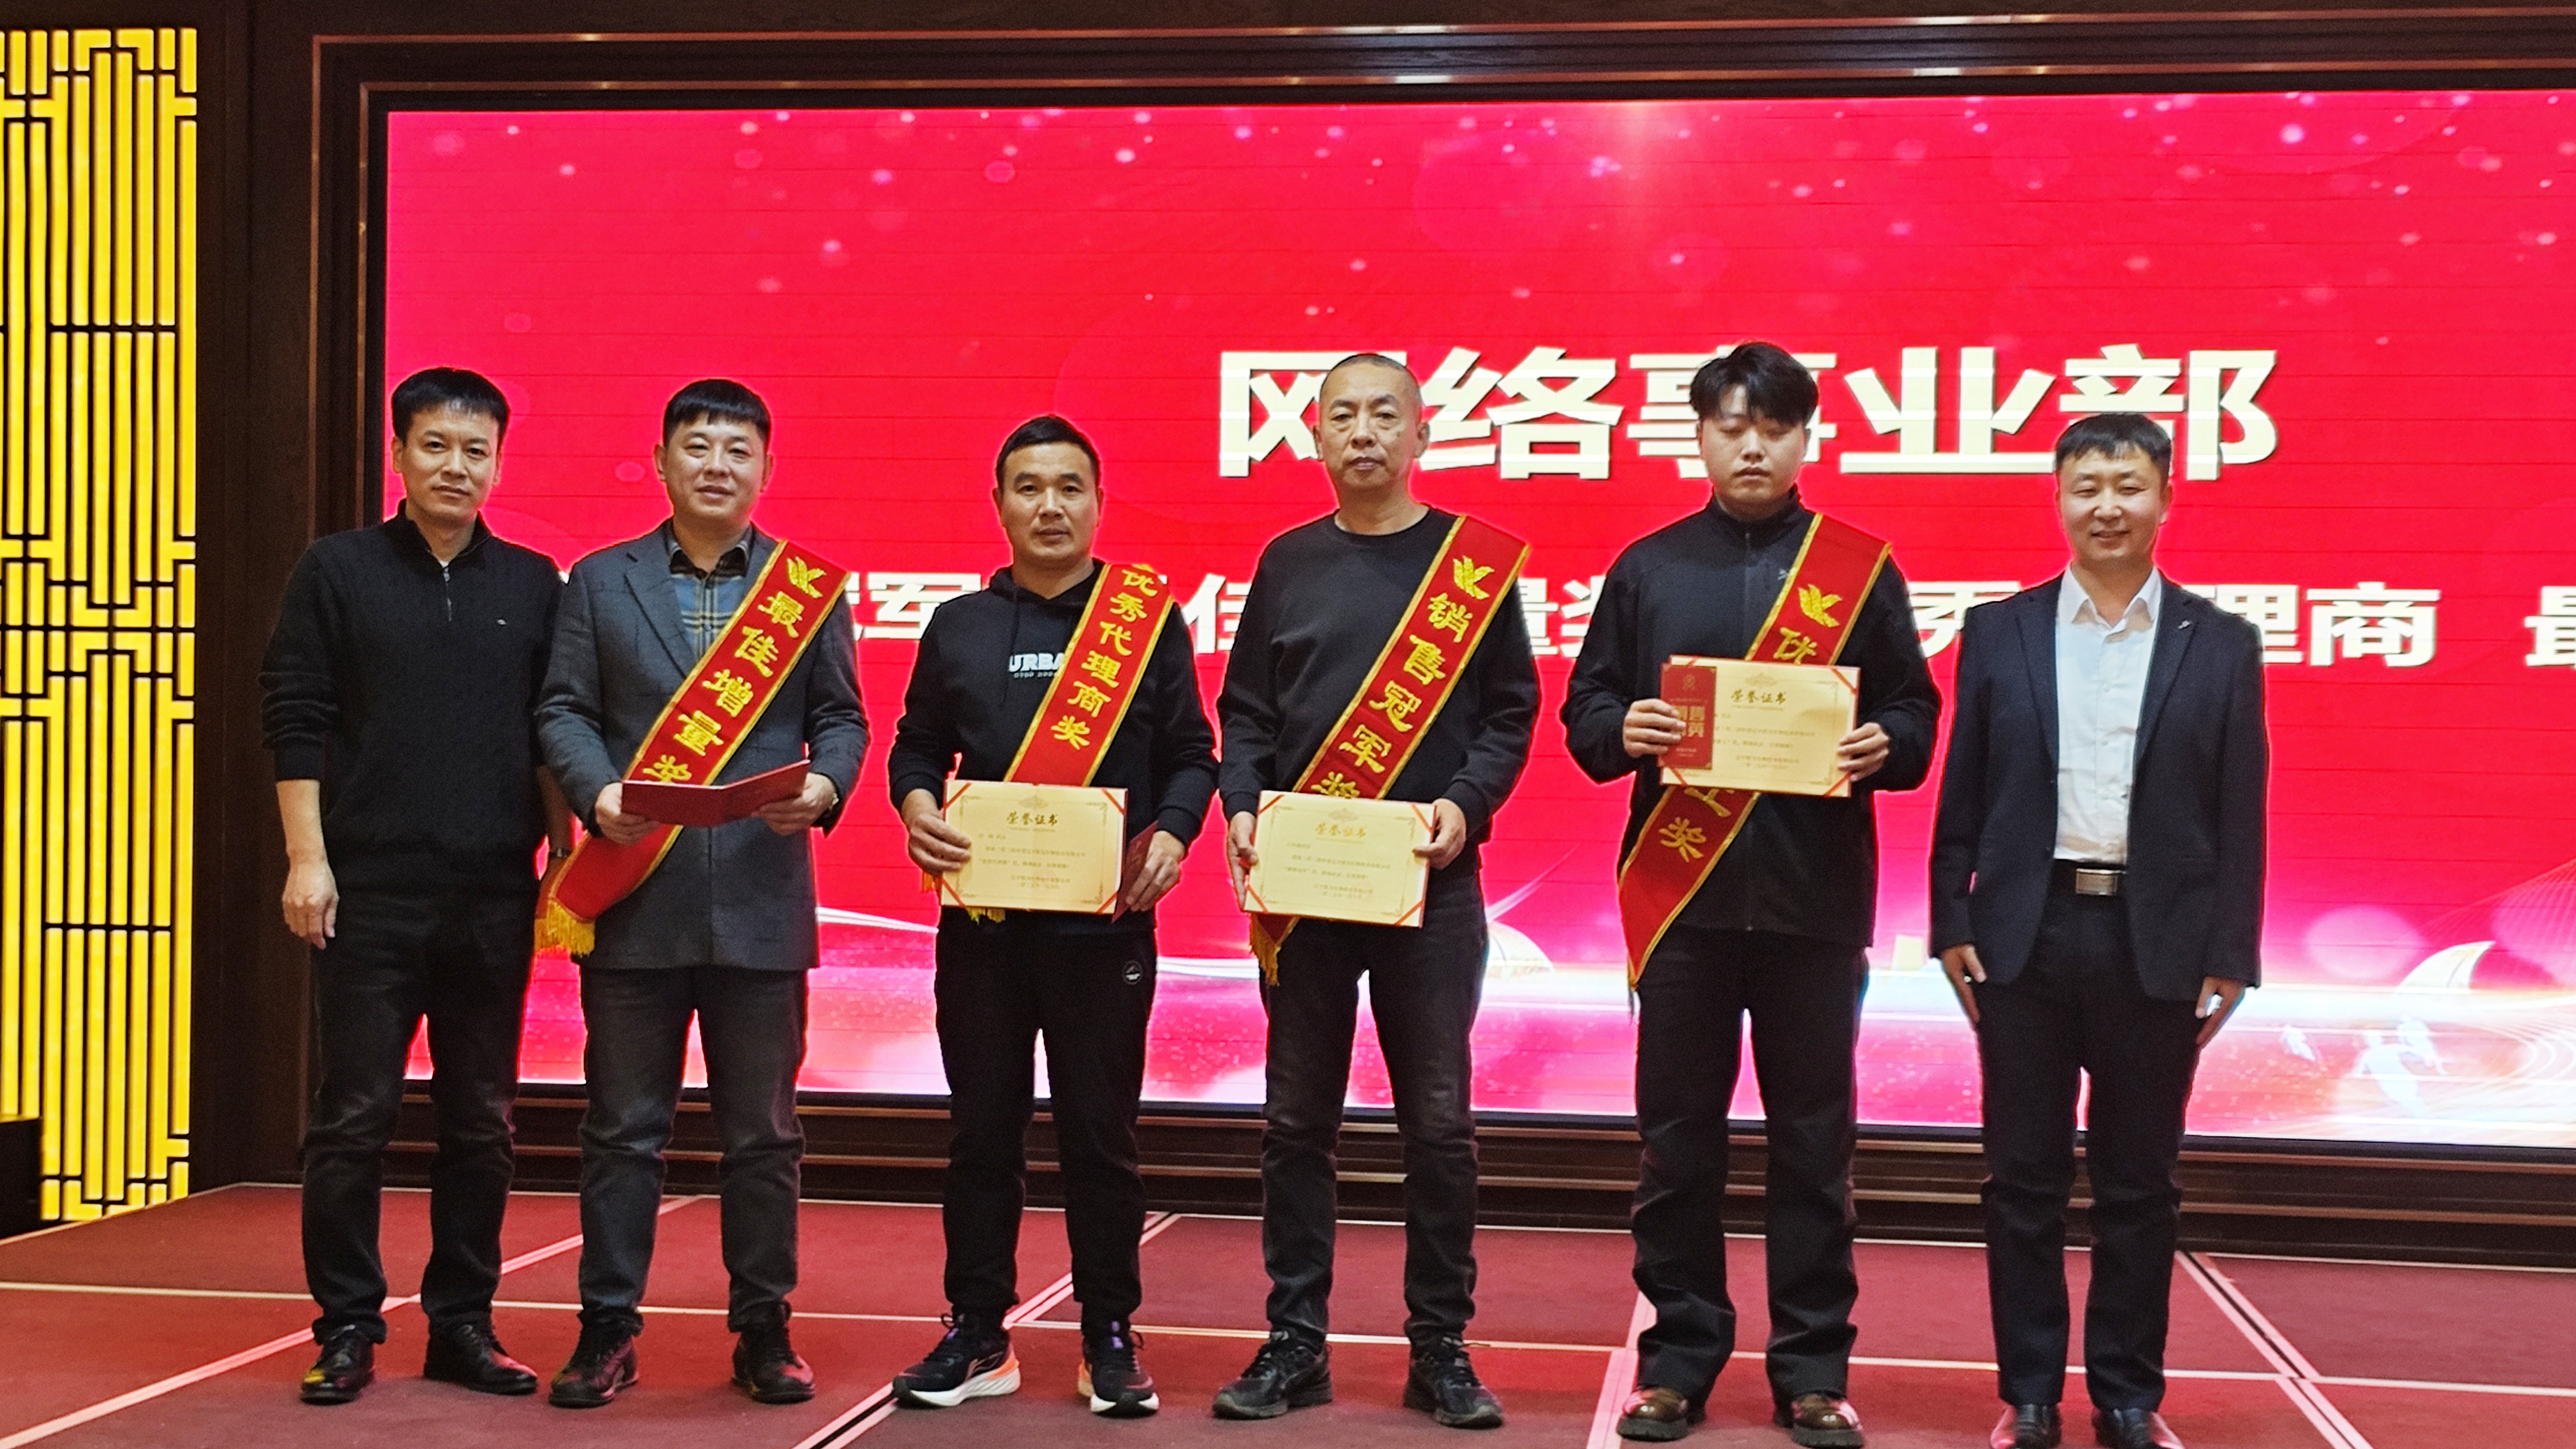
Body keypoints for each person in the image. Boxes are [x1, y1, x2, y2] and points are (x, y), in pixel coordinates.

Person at [1562, 342, 1940, 1447]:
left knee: (1814, 1147)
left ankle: (1813, 1370)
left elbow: (1916, 713)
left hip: (1815, 908)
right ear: (1699, 437)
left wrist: (1886, 742)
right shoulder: (1648, 567)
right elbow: (1586, 713)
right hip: (1682, 903)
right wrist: (1622, 727)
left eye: (1774, 427)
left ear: (1807, 438)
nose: (1753, 447)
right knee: (1677, 1145)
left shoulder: (1858, 568)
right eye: (1731, 426)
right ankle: (1677, 1362)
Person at [1212, 353, 1539, 1430]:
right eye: (1342, 416)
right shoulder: (1287, 560)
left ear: (1422, 434)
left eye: (1384, 414)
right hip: (1307, 883)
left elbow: (1510, 714)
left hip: (1431, 885)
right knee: (1296, 1121)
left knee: (1438, 1125)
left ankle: (1439, 1345)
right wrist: (1244, 808)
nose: (1364, 432)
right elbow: (1248, 714)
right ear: (1314, 437)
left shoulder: (1470, 568)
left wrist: (1465, 806)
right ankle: (1295, 1341)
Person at [1929, 413, 2266, 1449]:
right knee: (2020, 1180)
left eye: (2127, 486)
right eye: (2085, 488)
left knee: (2140, 1184)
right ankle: (2029, 1393)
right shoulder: (2001, 631)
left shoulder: (2221, 641)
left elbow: (2240, 808)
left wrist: (2232, 951)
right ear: (2059, 499)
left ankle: (2127, 1395)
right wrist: (1949, 917)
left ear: (2165, 497)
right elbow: (1963, 790)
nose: (2106, 507)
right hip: (2024, 937)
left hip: (2156, 944)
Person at [534, 379, 866, 1409]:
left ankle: (764, 1328)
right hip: (636, 896)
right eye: (698, 446)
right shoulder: (601, 580)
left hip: (763, 901)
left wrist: (826, 786)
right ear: (663, 461)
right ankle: (606, 1329)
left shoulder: (806, 589)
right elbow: (562, 709)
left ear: (766, 468)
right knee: (621, 1130)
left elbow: (843, 719)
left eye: (738, 449)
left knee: (763, 1136)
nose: (717, 465)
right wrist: (597, 790)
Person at [884, 414, 1218, 1418]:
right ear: (999, 505)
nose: (1050, 506)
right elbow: (915, 747)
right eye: (1029, 487)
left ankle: (1109, 1333)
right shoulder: (959, 625)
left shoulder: (1144, 622)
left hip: (1103, 931)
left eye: (1070, 487)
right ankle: (977, 1332)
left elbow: (1193, 755)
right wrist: (918, 810)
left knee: (1100, 1139)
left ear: (1099, 503)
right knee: (980, 1135)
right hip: (984, 929)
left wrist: (1174, 835)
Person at [260, 366, 570, 1405]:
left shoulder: (532, 582)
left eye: (477, 450)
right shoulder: (337, 570)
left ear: (498, 464)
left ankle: (462, 1325)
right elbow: (294, 716)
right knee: (353, 1118)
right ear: (398, 454)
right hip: (369, 894)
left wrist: (564, 855)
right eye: (436, 445)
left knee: (482, 1122)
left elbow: (549, 730)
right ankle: (347, 1327)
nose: (456, 467)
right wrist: (308, 858)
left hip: (493, 894)